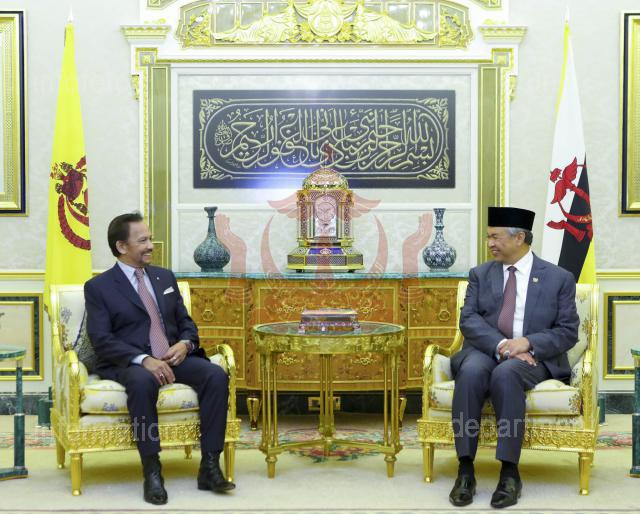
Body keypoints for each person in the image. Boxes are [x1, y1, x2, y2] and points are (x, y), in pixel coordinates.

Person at [84, 212, 235, 505]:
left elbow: (187, 323)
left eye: (150, 238)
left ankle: (210, 466)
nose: (151, 245)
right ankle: (152, 471)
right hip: (130, 362)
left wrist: (185, 344)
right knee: (142, 383)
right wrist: (143, 359)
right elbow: (101, 340)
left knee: (216, 375)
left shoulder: (164, 277)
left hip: (172, 356)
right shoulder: (99, 287)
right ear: (121, 246)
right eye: (143, 240)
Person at [449, 206, 579, 509]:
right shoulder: (480, 274)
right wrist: (503, 346)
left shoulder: (558, 278)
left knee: (506, 374)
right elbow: (469, 320)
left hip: (533, 358)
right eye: (488, 237)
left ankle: (509, 472)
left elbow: (567, 331)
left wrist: (528, 343)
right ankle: (465, 469)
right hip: (487, 350)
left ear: (519, 237)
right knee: (470, 372)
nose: (490, 243)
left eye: (495, 237)